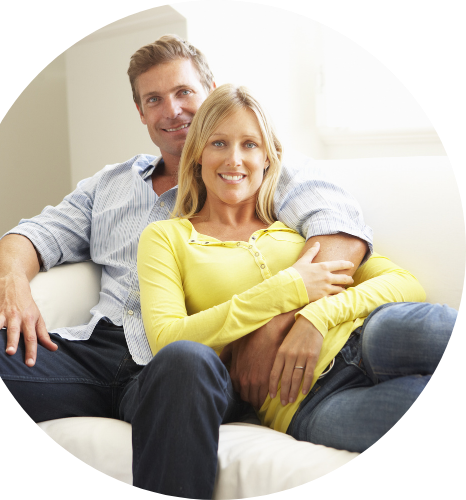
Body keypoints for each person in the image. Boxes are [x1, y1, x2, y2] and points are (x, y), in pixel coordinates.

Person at [0, 35, 373, 496]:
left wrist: (280, 324)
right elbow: (27, 237)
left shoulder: (255, 165)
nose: (173, 110)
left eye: (184, 92)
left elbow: (342, 235)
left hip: (194, 358)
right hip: (97, 352)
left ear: (209, 92)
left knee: (184, 360)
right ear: (141, 113)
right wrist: (11, 288)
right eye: (154, 99)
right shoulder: (108, 186)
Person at [136, 83, 457, 498]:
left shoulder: (295, 228)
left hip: (367, 336)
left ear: (268, 159)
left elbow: (404, 283)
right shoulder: (166, 237)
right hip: (305, 403)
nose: (235, 159)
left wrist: (314, 316)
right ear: (198, 153)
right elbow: (167, 339)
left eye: (249, 144)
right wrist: (287, 288)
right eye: (219, 143)